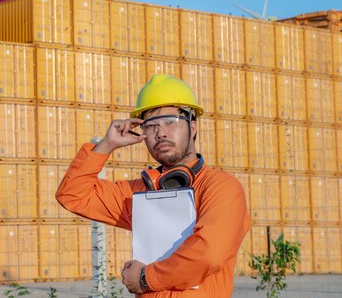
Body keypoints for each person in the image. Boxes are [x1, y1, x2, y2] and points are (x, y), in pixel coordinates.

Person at [56, 74, 250, 297]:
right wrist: (106, 144)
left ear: (193, 127)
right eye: (151, 126)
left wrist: (145, 279)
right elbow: (73, 195)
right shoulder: (139, 195)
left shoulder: (221, 188)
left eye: (170, 122)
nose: (161, 133)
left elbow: (208, 254)